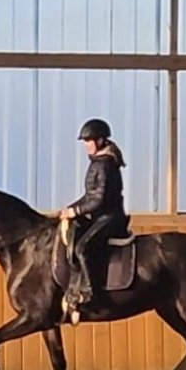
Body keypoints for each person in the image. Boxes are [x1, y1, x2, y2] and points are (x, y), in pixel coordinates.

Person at [58, 118, 129, 310]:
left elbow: (99, 199)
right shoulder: (98, 162)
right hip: (101, 216)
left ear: (100, 140)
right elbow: (89, 196)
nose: (86, 145)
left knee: (82, 247)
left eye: (89, 141)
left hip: (110, 217)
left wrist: (75, 211)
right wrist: (69, 209)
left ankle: (91, 292)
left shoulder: (104, 164)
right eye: (85, 141)